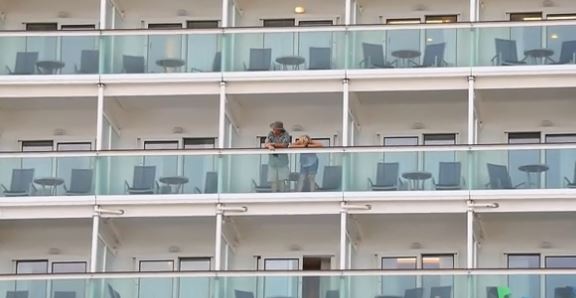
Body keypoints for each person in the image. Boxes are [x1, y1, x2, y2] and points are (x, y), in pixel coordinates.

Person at [265, 121, 291, 192]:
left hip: (283, 162)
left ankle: (282, 195)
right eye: (273, 129)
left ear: (279, 129)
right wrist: (269, 146)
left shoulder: (286, 134)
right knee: (273, 180)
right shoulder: (270, 134)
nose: (273, 130)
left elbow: (285, 145)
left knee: (282, 180)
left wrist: (273, 144)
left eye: (274, 129)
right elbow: (266, 144)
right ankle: (273, 195)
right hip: (272, 162)